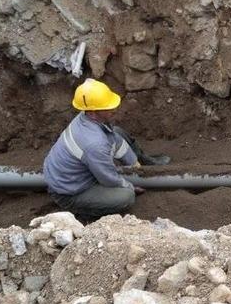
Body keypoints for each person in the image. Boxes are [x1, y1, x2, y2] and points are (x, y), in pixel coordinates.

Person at [43, 78, 170, 220]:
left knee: (117, 131)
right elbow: (108, 178)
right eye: (108, 107)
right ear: (92, 112)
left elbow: (115, 139)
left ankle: (146, 160)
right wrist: (128, 185)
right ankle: (82, 213)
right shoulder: (94, 144)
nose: (114, 109)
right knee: (126, 197)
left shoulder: (86, 117)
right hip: (70, 192)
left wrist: (135, 164)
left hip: (69, 174)